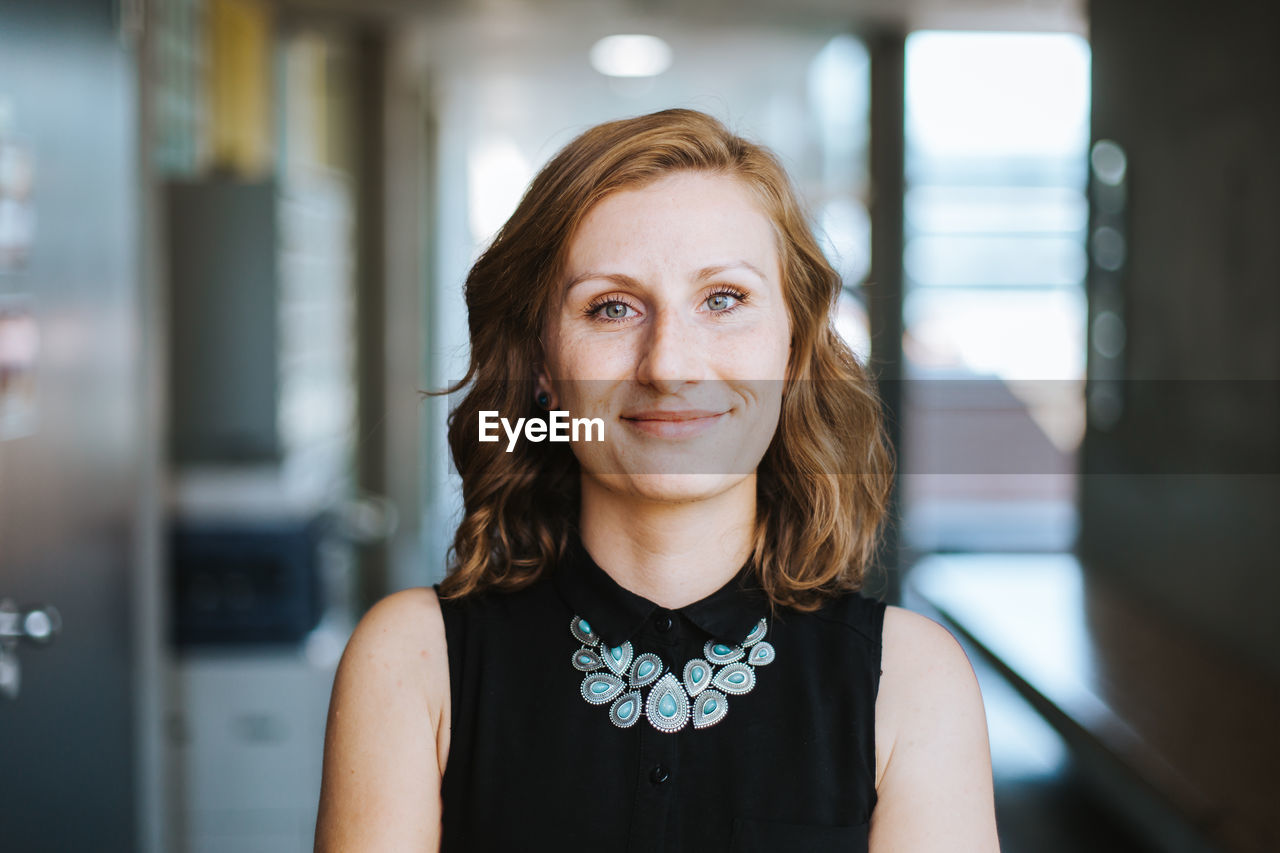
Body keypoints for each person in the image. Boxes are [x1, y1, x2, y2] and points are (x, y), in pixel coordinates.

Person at [315, 108, 1000, 851]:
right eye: (612, 308)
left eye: (723, 299)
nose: (669, 365)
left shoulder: (912, 682)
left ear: (794, 343)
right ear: (543, 363)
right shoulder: (412, 662)